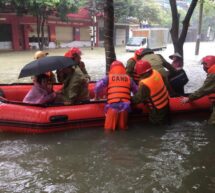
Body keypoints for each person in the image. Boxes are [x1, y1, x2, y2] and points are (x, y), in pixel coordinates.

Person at [94, 60, 137, 131]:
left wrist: (96, 97)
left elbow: (97, 86)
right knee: (122, 130)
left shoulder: (108, 78)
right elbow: (136, 91)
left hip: (112, 106)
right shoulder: (129, 79)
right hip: (125, 107)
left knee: (108, 131)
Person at [132, 60, 170, 125]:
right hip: (166, 102)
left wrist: (128, 99)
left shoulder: (145, 84)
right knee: (166, 122)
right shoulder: (156, 72)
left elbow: (138, 99)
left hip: (157, 109)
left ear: (140, 73)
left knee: (156, 125)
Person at [182, 55, 215, 124]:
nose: (203, 67)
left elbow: (204, 90)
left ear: (206, 65)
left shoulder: (213, 74)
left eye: (203, 65)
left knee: (212, 123)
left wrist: (189, 98)